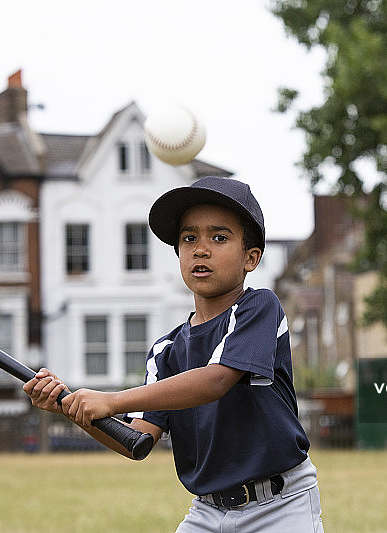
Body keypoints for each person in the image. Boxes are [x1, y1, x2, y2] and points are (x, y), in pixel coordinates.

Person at [24, 176, 325, 532]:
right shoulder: (165, 351)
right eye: (188, 238)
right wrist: (70, 406)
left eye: (219, 237)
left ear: (251, 258)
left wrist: (111, 400)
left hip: (280, 505)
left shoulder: (259, 308)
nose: (201, 249)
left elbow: (216, 380)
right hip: (207, 512)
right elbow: (136, 440)